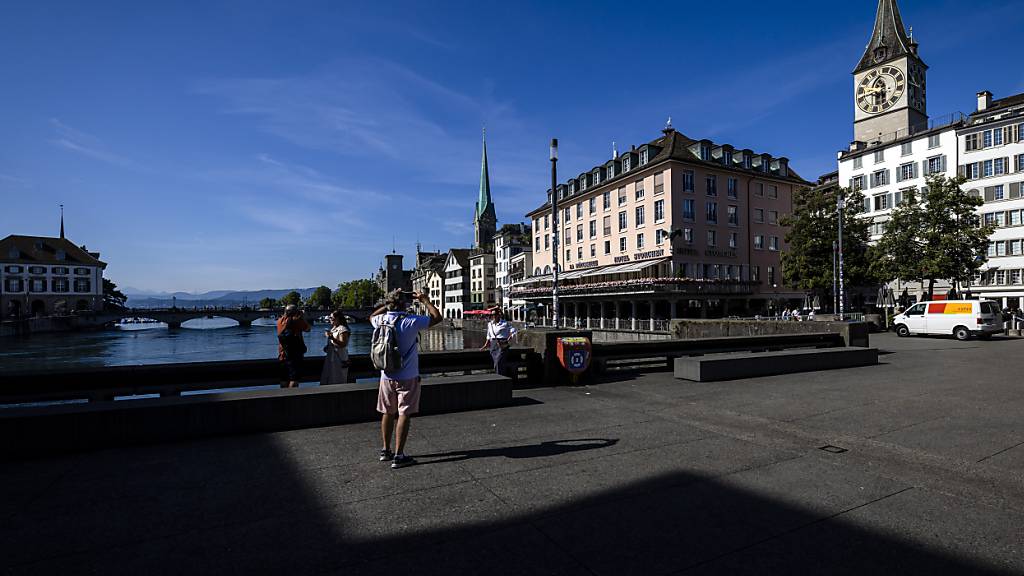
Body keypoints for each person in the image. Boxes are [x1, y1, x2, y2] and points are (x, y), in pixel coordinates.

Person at [370, 289, 442, 469]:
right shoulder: (410, 321)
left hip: (386, 375)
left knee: (387, 412)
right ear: (405, 303)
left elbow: (371, 315)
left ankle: (385, 450)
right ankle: (399, 455)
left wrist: (387, 305)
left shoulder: (381, 320)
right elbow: (437, 317)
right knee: (404, 414)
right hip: (407, 375)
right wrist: (425, 300)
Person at [277, 304, 311, 388]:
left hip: (282, 353)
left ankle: (283, 397)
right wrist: (302, 317)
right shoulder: (296, 320)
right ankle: (292, 398)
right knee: (294, 379)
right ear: (295, 312)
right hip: (295, 355)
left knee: (284, 379)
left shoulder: (279, 321)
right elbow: (308, 328)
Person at [481, 308, 517, 377]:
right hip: (493, 345)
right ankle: (502, 377)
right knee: (498, 363)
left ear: (498, 315)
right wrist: (486, 344)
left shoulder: (504, 323)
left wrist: (510, 336)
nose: (493, 316)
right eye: (492, 315)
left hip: (502, 344)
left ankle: (499, 378)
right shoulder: (490, 324)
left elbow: (513, 330)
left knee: (498, 362)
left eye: (495, 314)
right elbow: (488, 334)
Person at [320, 311, 351, 385]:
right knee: (329, 378)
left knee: (338, 379)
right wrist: (327, 347)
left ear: (337, 318)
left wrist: (332, 338)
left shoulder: (342, 329)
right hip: (331, 357)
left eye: (331, 318)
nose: (329, 319)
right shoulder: (333, 329)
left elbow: (343, 344)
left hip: (339, 358)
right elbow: (333, 344)